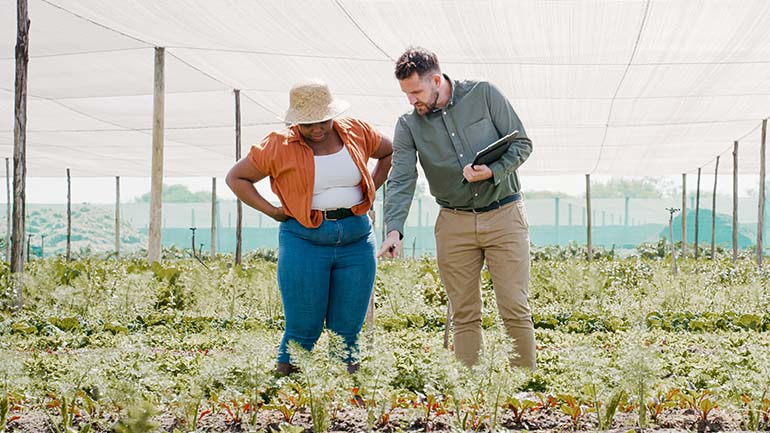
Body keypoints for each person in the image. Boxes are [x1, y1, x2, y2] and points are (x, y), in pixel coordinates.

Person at [378, 47, 536, 369]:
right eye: (406, 94)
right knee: (463, 312)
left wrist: (493, 171)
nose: (411, 101)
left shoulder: (484, 94)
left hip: (504, 214)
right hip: (454, 222)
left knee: (514, 307)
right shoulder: (408, 126)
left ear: (436, 79)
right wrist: (393, 229)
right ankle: (470, 388)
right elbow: (401, 178)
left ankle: (526, 385)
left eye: (416, 92)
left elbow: (522, 144)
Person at [227, 80, 393, 375]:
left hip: (356, 238)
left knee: (347, 329)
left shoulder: (356, 131)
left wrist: (370, 188)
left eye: (323, 121)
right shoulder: (278, 144)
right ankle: (284, 389)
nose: (317, 130)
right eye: (307, 124)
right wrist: (273, 211)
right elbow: (237, 178)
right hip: (304, 239)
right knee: (303, 325)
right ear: (295, 121)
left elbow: (389, 152)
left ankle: (347, 391)